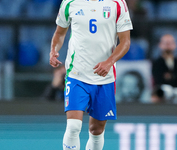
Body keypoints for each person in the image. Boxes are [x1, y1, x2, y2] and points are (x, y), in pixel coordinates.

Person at [49, 0, 133, 149]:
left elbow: (125, 42)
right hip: (76, 74)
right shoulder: (70, 2)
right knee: (74, 126)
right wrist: (54, 50)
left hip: (104, 77)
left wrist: (109, 62)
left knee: (97, 130)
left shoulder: (117, 3)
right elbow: (60, 33)